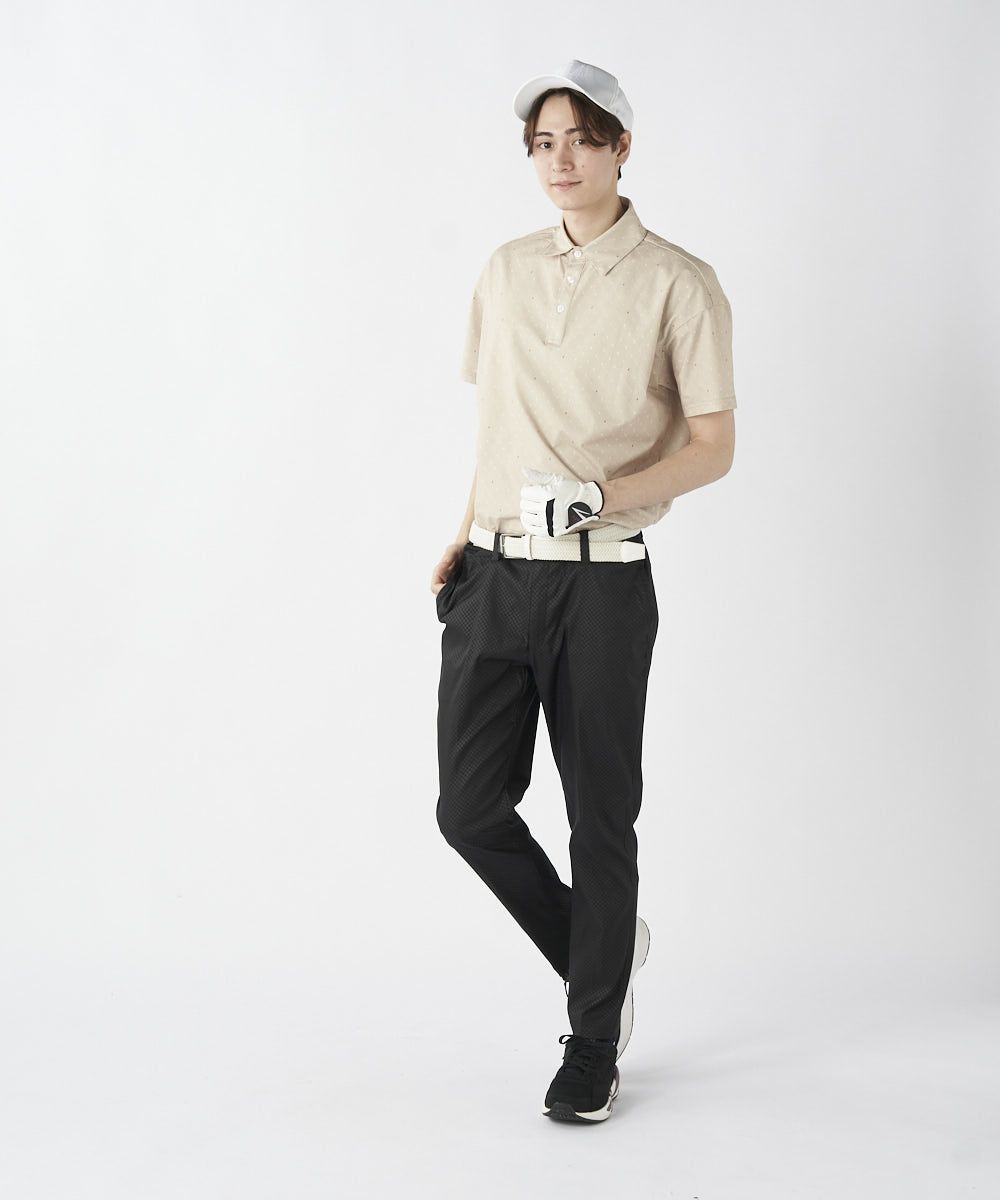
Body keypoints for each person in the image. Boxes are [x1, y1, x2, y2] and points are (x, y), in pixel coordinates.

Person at [431, 59, 737, 1123]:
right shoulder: (505, 269)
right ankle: (595, 947)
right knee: (468, 809)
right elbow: (499, 421)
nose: (559, 160)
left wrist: (603, 495)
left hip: (602, 585)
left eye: (580, 139)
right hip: (492, 574)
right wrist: (459, 534)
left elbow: (714, 447)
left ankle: (593, 1040)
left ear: (621, 148)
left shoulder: (679, 283)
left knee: (600, 818)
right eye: (543, 143)